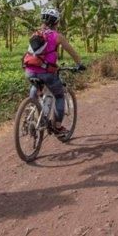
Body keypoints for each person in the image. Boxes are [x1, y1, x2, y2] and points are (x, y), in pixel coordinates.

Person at [24, 8, 85, 139]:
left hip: (29, 71)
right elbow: (72, 52)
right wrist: (79, 64)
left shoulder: (35, 34)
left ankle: (30, 114)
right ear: (56, 22)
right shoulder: (57, 36)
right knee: (59, 95)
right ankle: (57, 127)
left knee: (36, 87)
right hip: (47, 73)